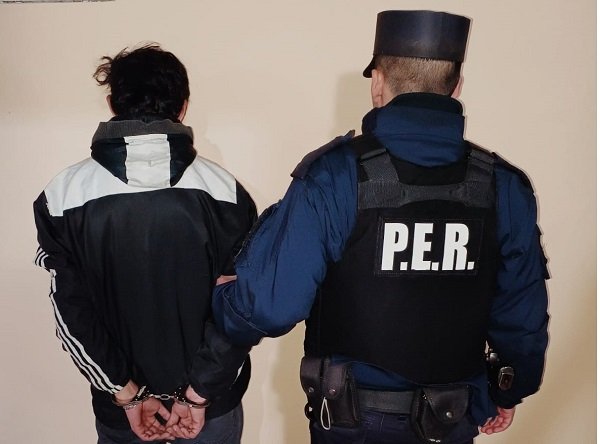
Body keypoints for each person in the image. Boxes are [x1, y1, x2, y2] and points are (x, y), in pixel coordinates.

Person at [212, 10, 549, 444]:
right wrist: (510, 388)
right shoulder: (503, 185)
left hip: (351, 419)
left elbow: (271, 306)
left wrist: (224, 299)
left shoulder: (334, 175)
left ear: (378, 83)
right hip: (451, 417)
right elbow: (521, 310)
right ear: (456, 87)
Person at [34, 44, 257, 443]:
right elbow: (242, 308)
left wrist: (126, 393)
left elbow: (70, 310)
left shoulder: (62, 196)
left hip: (124, 411)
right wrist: (198, 394)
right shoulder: (227, 194)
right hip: (210, 406)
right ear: (183, 107)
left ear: (111, 104)